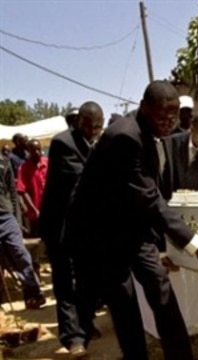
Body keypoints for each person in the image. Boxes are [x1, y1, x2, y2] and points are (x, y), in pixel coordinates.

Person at [63, 80, 198, 360]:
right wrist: (197, 245)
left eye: (173, 115)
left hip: (131, 224)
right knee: (125, 303)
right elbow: (150, 199)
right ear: (143, 108)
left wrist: (164, 245)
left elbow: (149, 194)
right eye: (162, 115)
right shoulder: (125, 136)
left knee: (160, 286)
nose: (169, 122)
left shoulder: (151, 132)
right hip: (101, 234)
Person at [39, 101, 104, 357]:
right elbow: (81, 182)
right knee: (64, 283)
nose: (93, 130)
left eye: (98, 126)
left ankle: (84, 326)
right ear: (78, 121)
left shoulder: (94, 143)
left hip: (82, 226)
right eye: (89, 125)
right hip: (59, 228)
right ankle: (73, 338)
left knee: (89, 280)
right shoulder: (63, 143)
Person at [0, 152, 45, 310]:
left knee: (21, 254)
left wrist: (17, 221)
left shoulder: (4, 162)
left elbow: (12, 191)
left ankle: (33, 294)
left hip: (6, 216)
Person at [16, 139, 47, 237]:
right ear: (28, 151)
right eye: (33, 150)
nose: (37, 152)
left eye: (38, 149)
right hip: (34, 211)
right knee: (37, 237)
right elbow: (22, 190)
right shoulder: (24, 168)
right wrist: (34, 209)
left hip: (49, 207)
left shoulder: (48, 163)